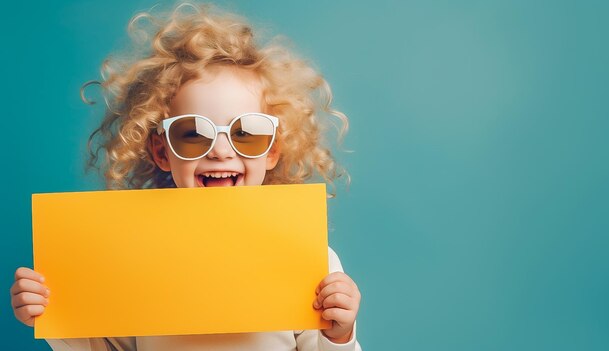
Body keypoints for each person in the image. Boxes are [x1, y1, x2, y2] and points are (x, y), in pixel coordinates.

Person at [10, 2, 361, 350]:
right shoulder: (131, 257)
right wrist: (53, 314)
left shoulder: (309, 258)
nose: (221, 150)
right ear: (162, 152)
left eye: (246, 133)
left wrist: (339, 334)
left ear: (271, 150)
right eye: (192, 133)